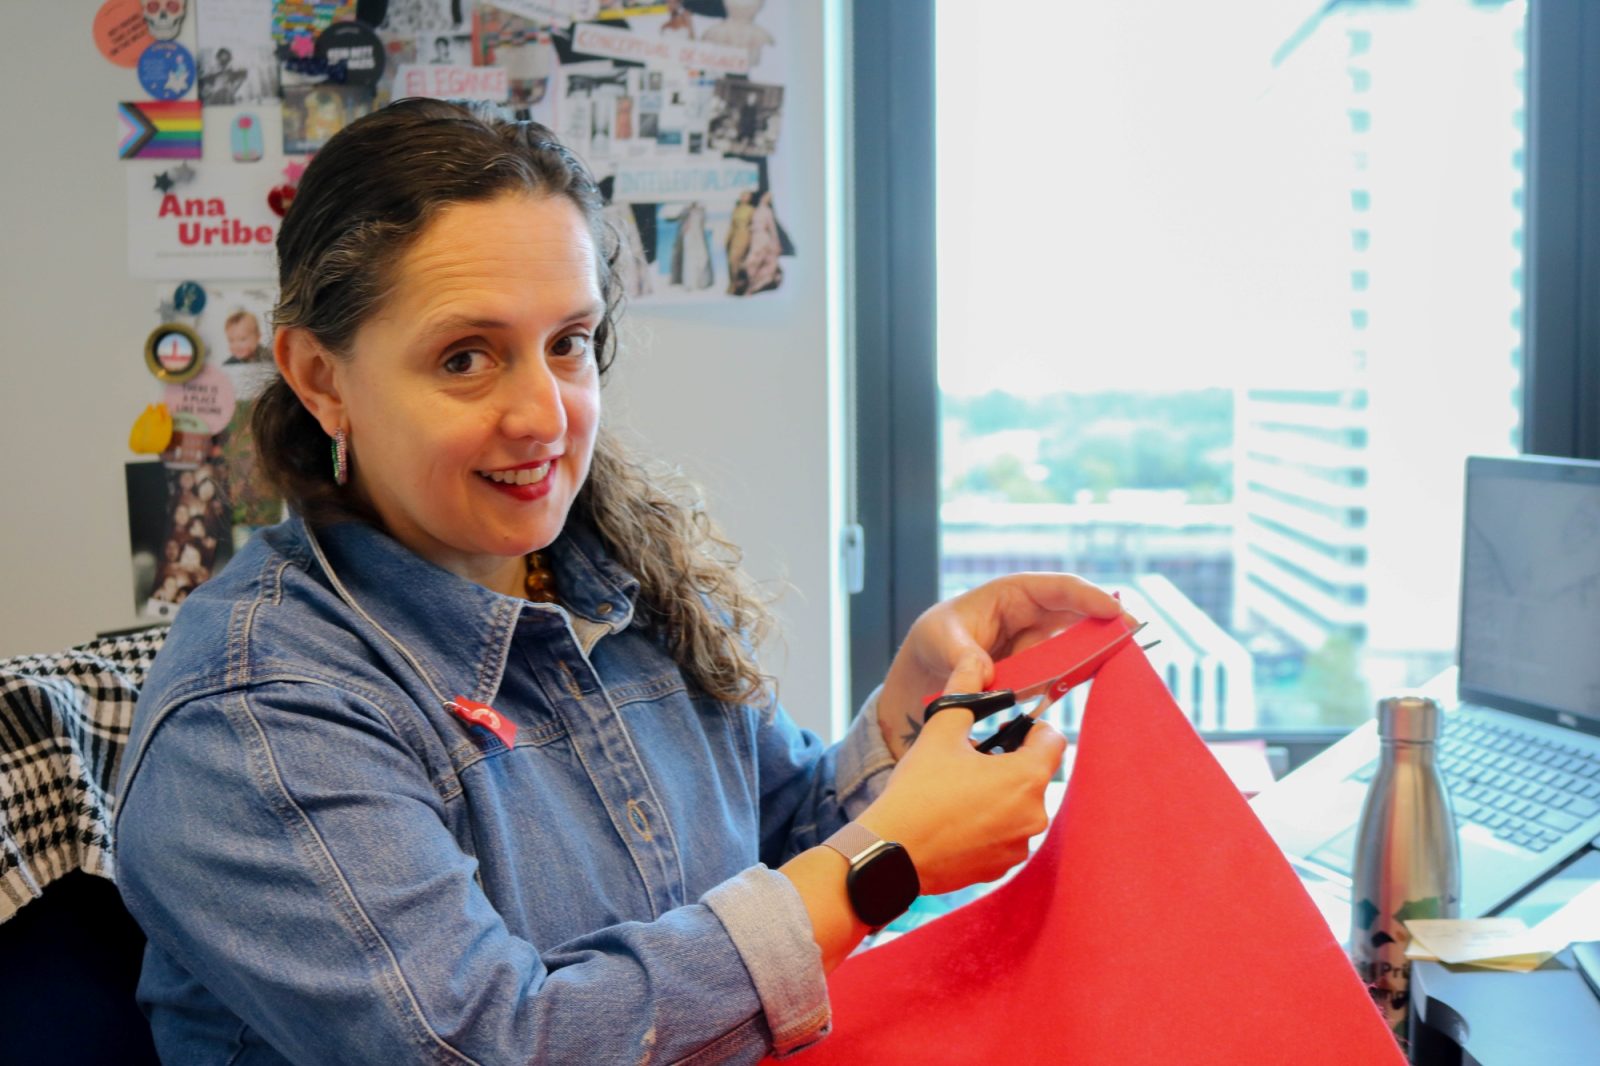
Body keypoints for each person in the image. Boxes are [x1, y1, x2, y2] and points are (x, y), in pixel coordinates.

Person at [113, 98, 1126, 1064]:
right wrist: (888, 860)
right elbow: (498, 1044)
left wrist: (913, 709)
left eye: (568, 344)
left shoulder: (617, 585)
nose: (545, 417)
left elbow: (786, 840)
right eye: (465, 358)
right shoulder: (256, 712)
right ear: (320, 377)